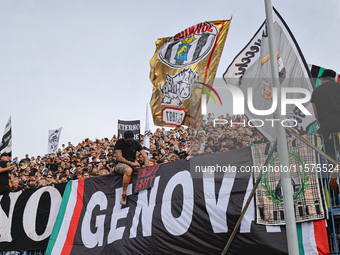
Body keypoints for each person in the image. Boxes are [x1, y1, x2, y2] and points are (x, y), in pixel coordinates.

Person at [311, 69, 340, 189]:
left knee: (330, 152)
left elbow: (316, 113)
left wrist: (323, 122)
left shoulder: (316, 92)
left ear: (322, 80)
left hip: (327, 127)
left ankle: (334, 168)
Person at [115, 130, 149, 205]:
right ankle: (124, 194)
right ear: (124, 138)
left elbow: (145, 156)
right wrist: (132, 163)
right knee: (128, 170)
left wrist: (146, 165)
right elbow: (119, 158)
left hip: (133, 163)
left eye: (131, 140)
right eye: (128, 141)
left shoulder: (136, 143)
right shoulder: (119, 142)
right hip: (121, 164)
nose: (130, 142)